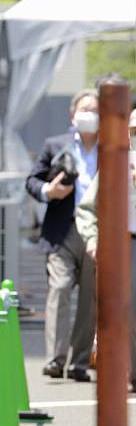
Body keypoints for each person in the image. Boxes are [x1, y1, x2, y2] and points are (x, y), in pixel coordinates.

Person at [25, 88, 99, 382]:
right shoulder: (55, 144)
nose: (89, 116)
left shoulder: (114, 147)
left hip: (97, 231)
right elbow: (32, 180)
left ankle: (79, 362)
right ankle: (55, 359)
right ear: (72, 114)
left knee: (90, 300)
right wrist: (48, 191)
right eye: (84, 110)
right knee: (60, 287)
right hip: (62, 230)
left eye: (95, 111)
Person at [76, 107, 136, 393]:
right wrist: (92, 239)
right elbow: (88, 207)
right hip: (124, 242)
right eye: (134, 132)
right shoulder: (116, 163)